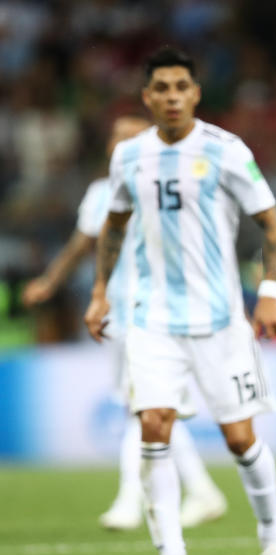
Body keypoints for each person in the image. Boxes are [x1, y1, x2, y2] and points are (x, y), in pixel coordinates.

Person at [84, 47, 276, 555]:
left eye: (182, 85)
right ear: (147, 95)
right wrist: (98, 293)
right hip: (152, 319)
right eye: (162, 87)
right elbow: (111, 226)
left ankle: (274, 541)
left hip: (220, 319)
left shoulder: (226, 151)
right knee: (153, 427)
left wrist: (270, 291)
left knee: (239, 439)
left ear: (196, 93)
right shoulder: (129, 156)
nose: (173, 96)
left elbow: (274, 226)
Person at [22, 115, 227, 532]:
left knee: (145, 404)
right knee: (148, 407)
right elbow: (82, 245)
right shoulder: (100, 192)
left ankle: (130, 500)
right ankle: (203, 491)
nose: (118, 144)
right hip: (114, 313)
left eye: (129, 138)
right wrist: (49, 281)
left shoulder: (167, 190)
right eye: (114, 137)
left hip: (154, 311)